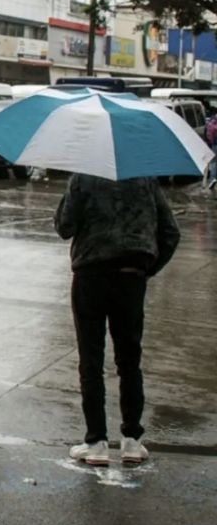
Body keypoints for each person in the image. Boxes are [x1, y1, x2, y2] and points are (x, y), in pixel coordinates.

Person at [55, 173, 179, 466]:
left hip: (90, 277)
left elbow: (64, 227)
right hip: (131, 278)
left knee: (91, 361)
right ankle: (132, 440)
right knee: (129, 360)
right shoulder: (145, 179)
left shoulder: (83, 177)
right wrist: (147, 268)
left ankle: (96, 442)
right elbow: (170, 233)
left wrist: (69, 197)